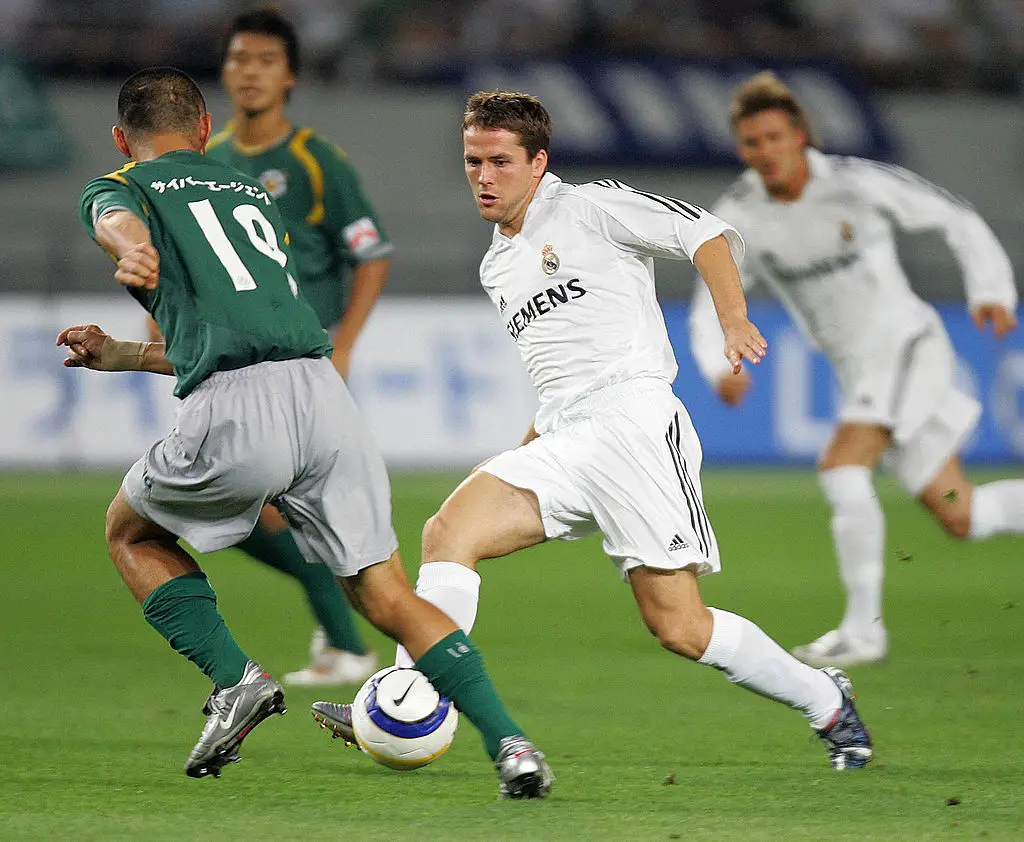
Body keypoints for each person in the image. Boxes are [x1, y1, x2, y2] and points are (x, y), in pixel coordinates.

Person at [310, 90, 874, 771]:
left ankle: (827, 701)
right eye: (471, 162)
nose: (483, 178)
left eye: (499, 162)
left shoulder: (589, 206)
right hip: (564, 435)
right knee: (446, 532)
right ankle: (409, 697)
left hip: (635, 425)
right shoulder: (498, 263)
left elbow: (708, 234)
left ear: (538, 162)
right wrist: (526, 454)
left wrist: (731, 316)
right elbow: (558, 379)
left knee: (679, 625)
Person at [60, 67, 552, 798]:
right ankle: (512, 745)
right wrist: (127, 354)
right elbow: (244, 328)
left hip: (234, 406)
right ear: (203, 130)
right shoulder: (246, 191)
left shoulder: (123, 184)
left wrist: (127, 245)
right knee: (386, 593)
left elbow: (114, 222)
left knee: (131, 533)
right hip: (323, 398)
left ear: (119, 139)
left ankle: (237, 680)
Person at [689, 71, 1023, 668]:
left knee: (842, 467)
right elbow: (709, 295)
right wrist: (720, 366)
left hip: (906, 346)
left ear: (800, 135)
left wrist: (990, 289)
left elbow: (955, 216)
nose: (763, 153)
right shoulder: (740, 214)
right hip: (857, 369)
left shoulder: (855, 183)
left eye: (772, 138)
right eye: (750, 143)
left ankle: (864, 630)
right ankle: (865, 625)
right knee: (961, 513)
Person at [156, 7, 394, 687]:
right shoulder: (209, 162)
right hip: (226, 367)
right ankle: (345, 630)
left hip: (303, 364)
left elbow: (370, 254)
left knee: (258, 505)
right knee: (261, 512)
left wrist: (345, 342)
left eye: (264, 60)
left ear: (289, 74)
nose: (249, 71)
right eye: (237, 59)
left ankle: (348, 640)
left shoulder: (317, 162)